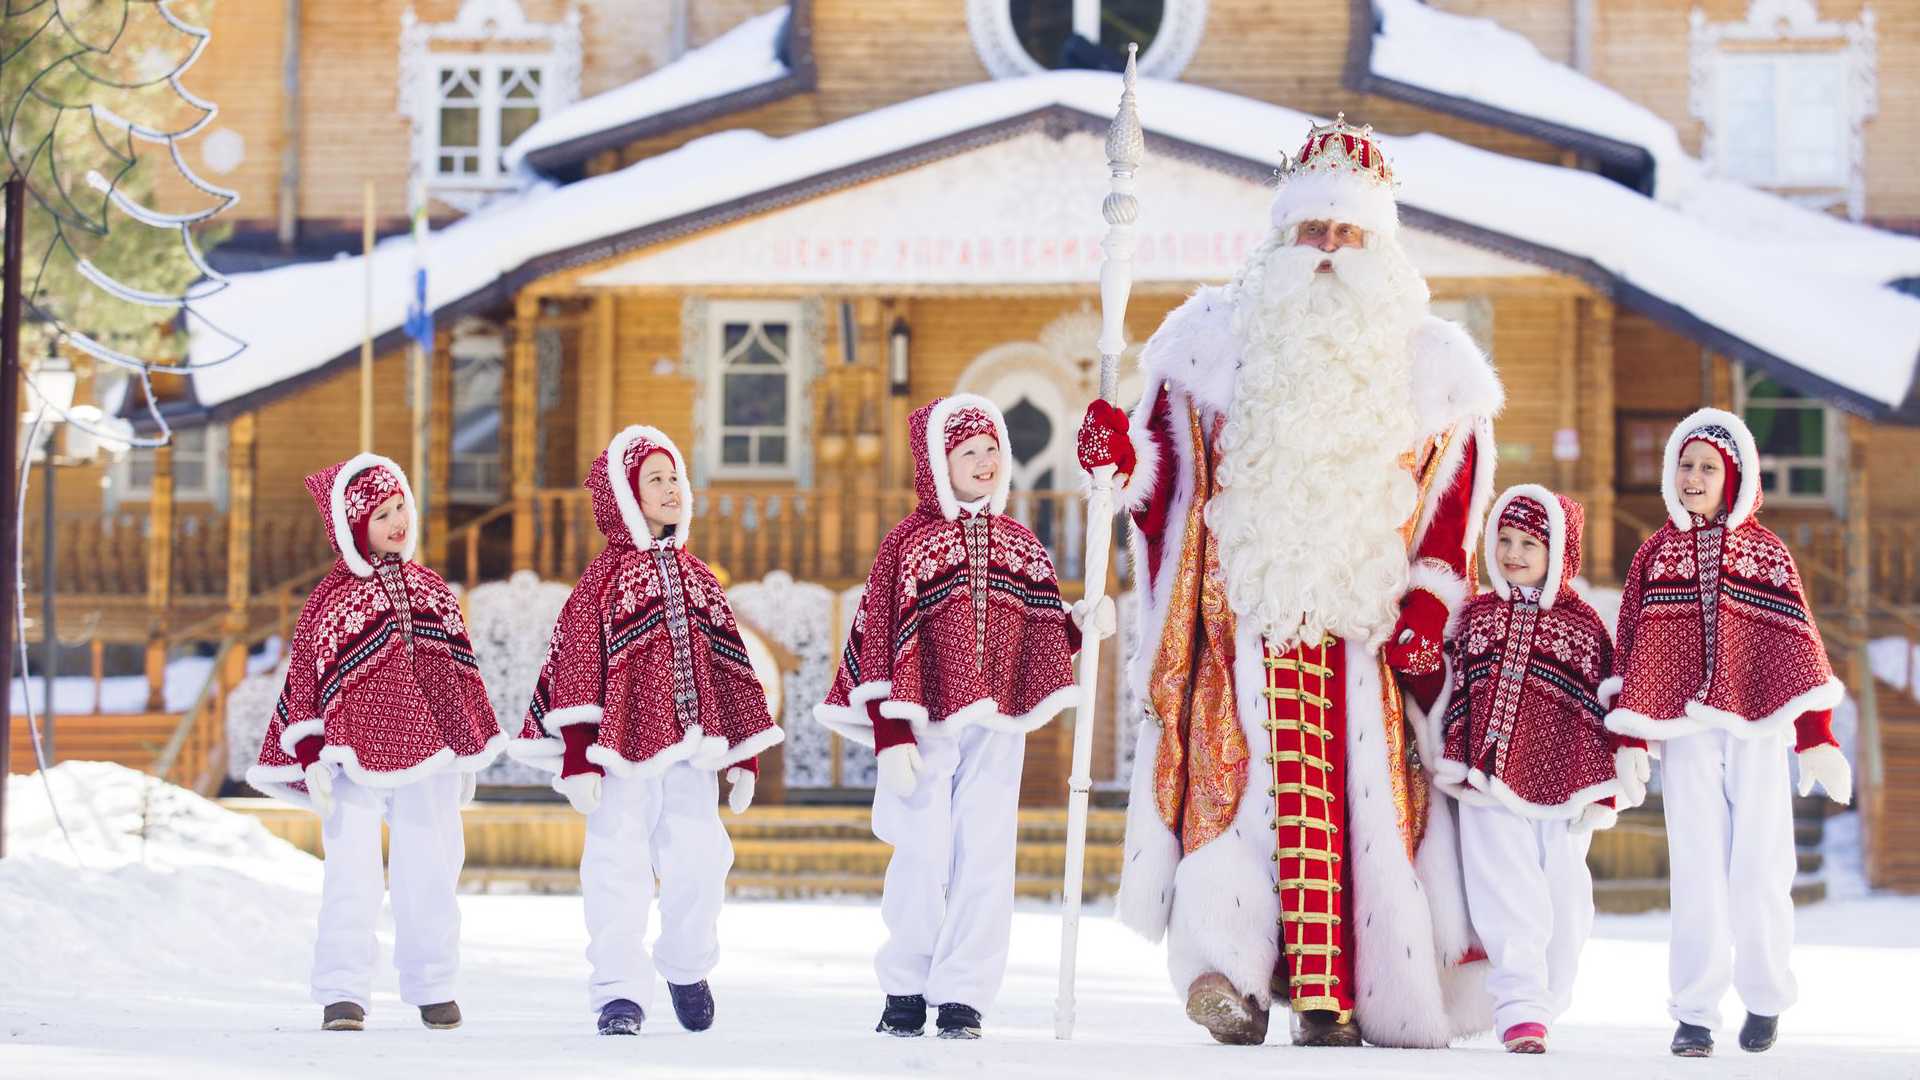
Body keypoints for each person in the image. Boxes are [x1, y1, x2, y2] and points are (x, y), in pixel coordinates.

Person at [1078, 115, 1500, 1047]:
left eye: (1349, 234)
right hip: (1240, 622)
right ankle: (1226, 976)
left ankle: (1335, 997)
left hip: (1370, 633)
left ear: (1380, 246)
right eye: (1313, 231)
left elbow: (1454, 512)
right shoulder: (1210, 345)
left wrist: (1430, 602)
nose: (1328, 252)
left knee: (1358, 819)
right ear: (1280, 237)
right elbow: (1158, 480)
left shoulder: (1433, 371)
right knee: (1235, 800)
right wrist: (1119, 458)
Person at [814, 394, 1111, 1040]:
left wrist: (1081, 628)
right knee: (921, 853)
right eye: (967, 452)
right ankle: (907, 984)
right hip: (922, 724)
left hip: (997, 725)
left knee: (985, 854)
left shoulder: (1022, 547)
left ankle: (963, 994)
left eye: (991, 451)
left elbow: (1036, 632)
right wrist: (889, 735)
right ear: (936, 463)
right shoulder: (909, 545)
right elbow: (880, 638)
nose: (983, 462)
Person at [508, 426, 783, 1037]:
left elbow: (730, 665)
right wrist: (578, 754)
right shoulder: (603, 581)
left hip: (692, 751)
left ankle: (686, 964)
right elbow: (575, 661)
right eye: (654, 479)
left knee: (701, 860)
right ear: (625, 496)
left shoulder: (699, 578)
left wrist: (744, 755)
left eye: (675, 477)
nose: (670, 488)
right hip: (619, 754)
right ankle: (619, 991)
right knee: (617, 866)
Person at [1605, 408, 1851, 1058]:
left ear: (1733, 477)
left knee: (1762, 863)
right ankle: (1694, 1011)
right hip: (1684, 729)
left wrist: (1817, 734)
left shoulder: (1765, 551)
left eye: (1707, 468)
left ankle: (1765, 994)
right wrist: (1631, 740)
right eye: (1684, 465)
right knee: (1697, 866)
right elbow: (1632, 649)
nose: (1693, 477)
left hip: (1757, 725)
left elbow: (1797, 645)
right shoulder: (1653, 557)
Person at [246, 453, 503, 1032]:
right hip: (349, 758)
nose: (396, 521)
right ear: (352, 524)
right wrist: (309, 753)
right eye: (381, 513)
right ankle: (343, 990)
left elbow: (457, 668)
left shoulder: (434, 590)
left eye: (401, 507)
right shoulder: (330, 599)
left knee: (432, 866)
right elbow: (308, 678)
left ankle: (433, 983)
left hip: (430, 755)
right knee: (351, 872)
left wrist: (465, 747)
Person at [1435, 485, 1648, 1054]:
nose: (1513, 553)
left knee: (1565, 897)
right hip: (1486, 778)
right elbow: (1455, 689)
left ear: (1561, 553)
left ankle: (1547, 998)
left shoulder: (1583, 628)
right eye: (1503, 539)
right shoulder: (1476, 617)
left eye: (1530, 542)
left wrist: (1611, 774)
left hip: (1563, 782)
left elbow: (1605, 698)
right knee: (1506, 894)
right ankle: (1520, 1007)